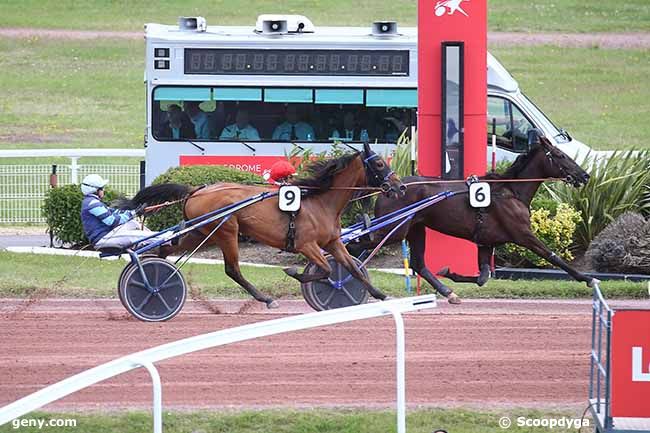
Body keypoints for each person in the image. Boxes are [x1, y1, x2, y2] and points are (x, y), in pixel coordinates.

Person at [80, 174, 167, 250]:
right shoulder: (93, 204)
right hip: (103, 239)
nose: (104, 190)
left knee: (134, 224)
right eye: (102, 188)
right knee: (137, 236)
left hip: (107, 235)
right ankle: (167, 238)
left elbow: (113, 212)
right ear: (96, 190)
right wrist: (134, 213)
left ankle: (157, 242)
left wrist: (133, 211)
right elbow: (112, 221)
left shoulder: (92, 202)